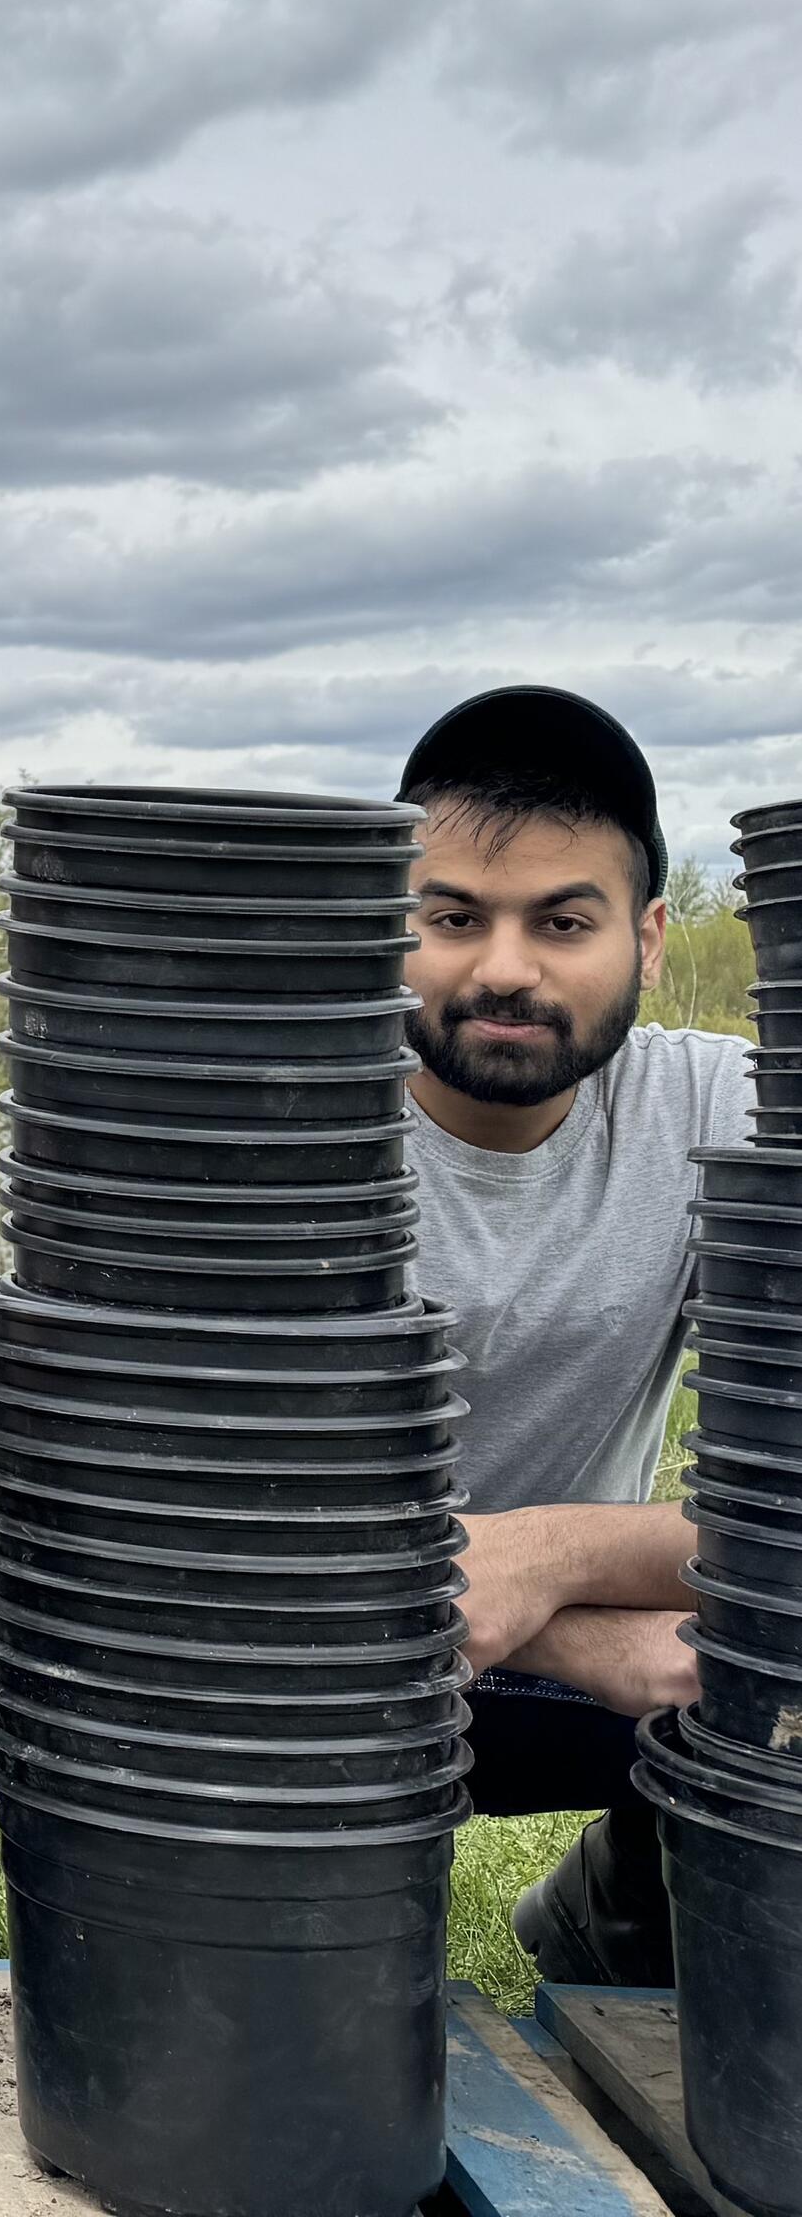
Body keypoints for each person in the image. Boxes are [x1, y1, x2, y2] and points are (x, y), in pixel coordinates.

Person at [396, 687, 750, 1985]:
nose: (503, 967)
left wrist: (549, 1557)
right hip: (281, 1665)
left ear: (650, 940)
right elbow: (171, 1536)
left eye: (562, 921)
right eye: (452, 918)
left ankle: (629, 1909)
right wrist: (552, 1617)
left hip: (603, 1660)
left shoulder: (728, 1117)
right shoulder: (277, 1129)